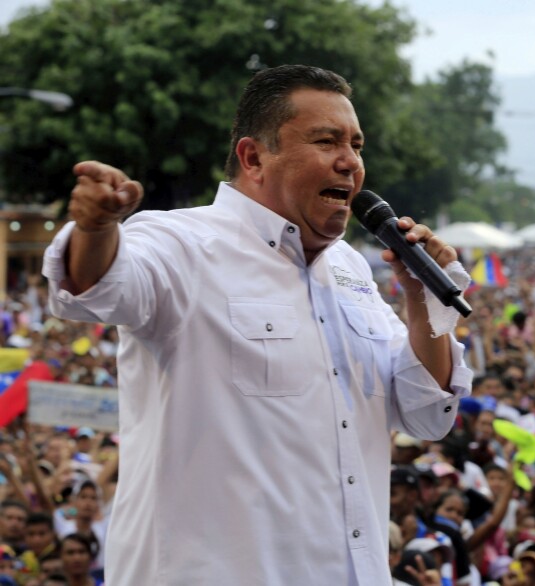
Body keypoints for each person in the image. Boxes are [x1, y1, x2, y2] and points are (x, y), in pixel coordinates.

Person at [42, 64, 472, 585]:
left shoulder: (351, 270)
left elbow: (428, 414)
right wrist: (94, 228)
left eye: (357, 145)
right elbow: (95, 285)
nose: (350, 163)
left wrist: (419, 295)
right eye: (327, 141)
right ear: (253, 157)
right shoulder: (181, 243)